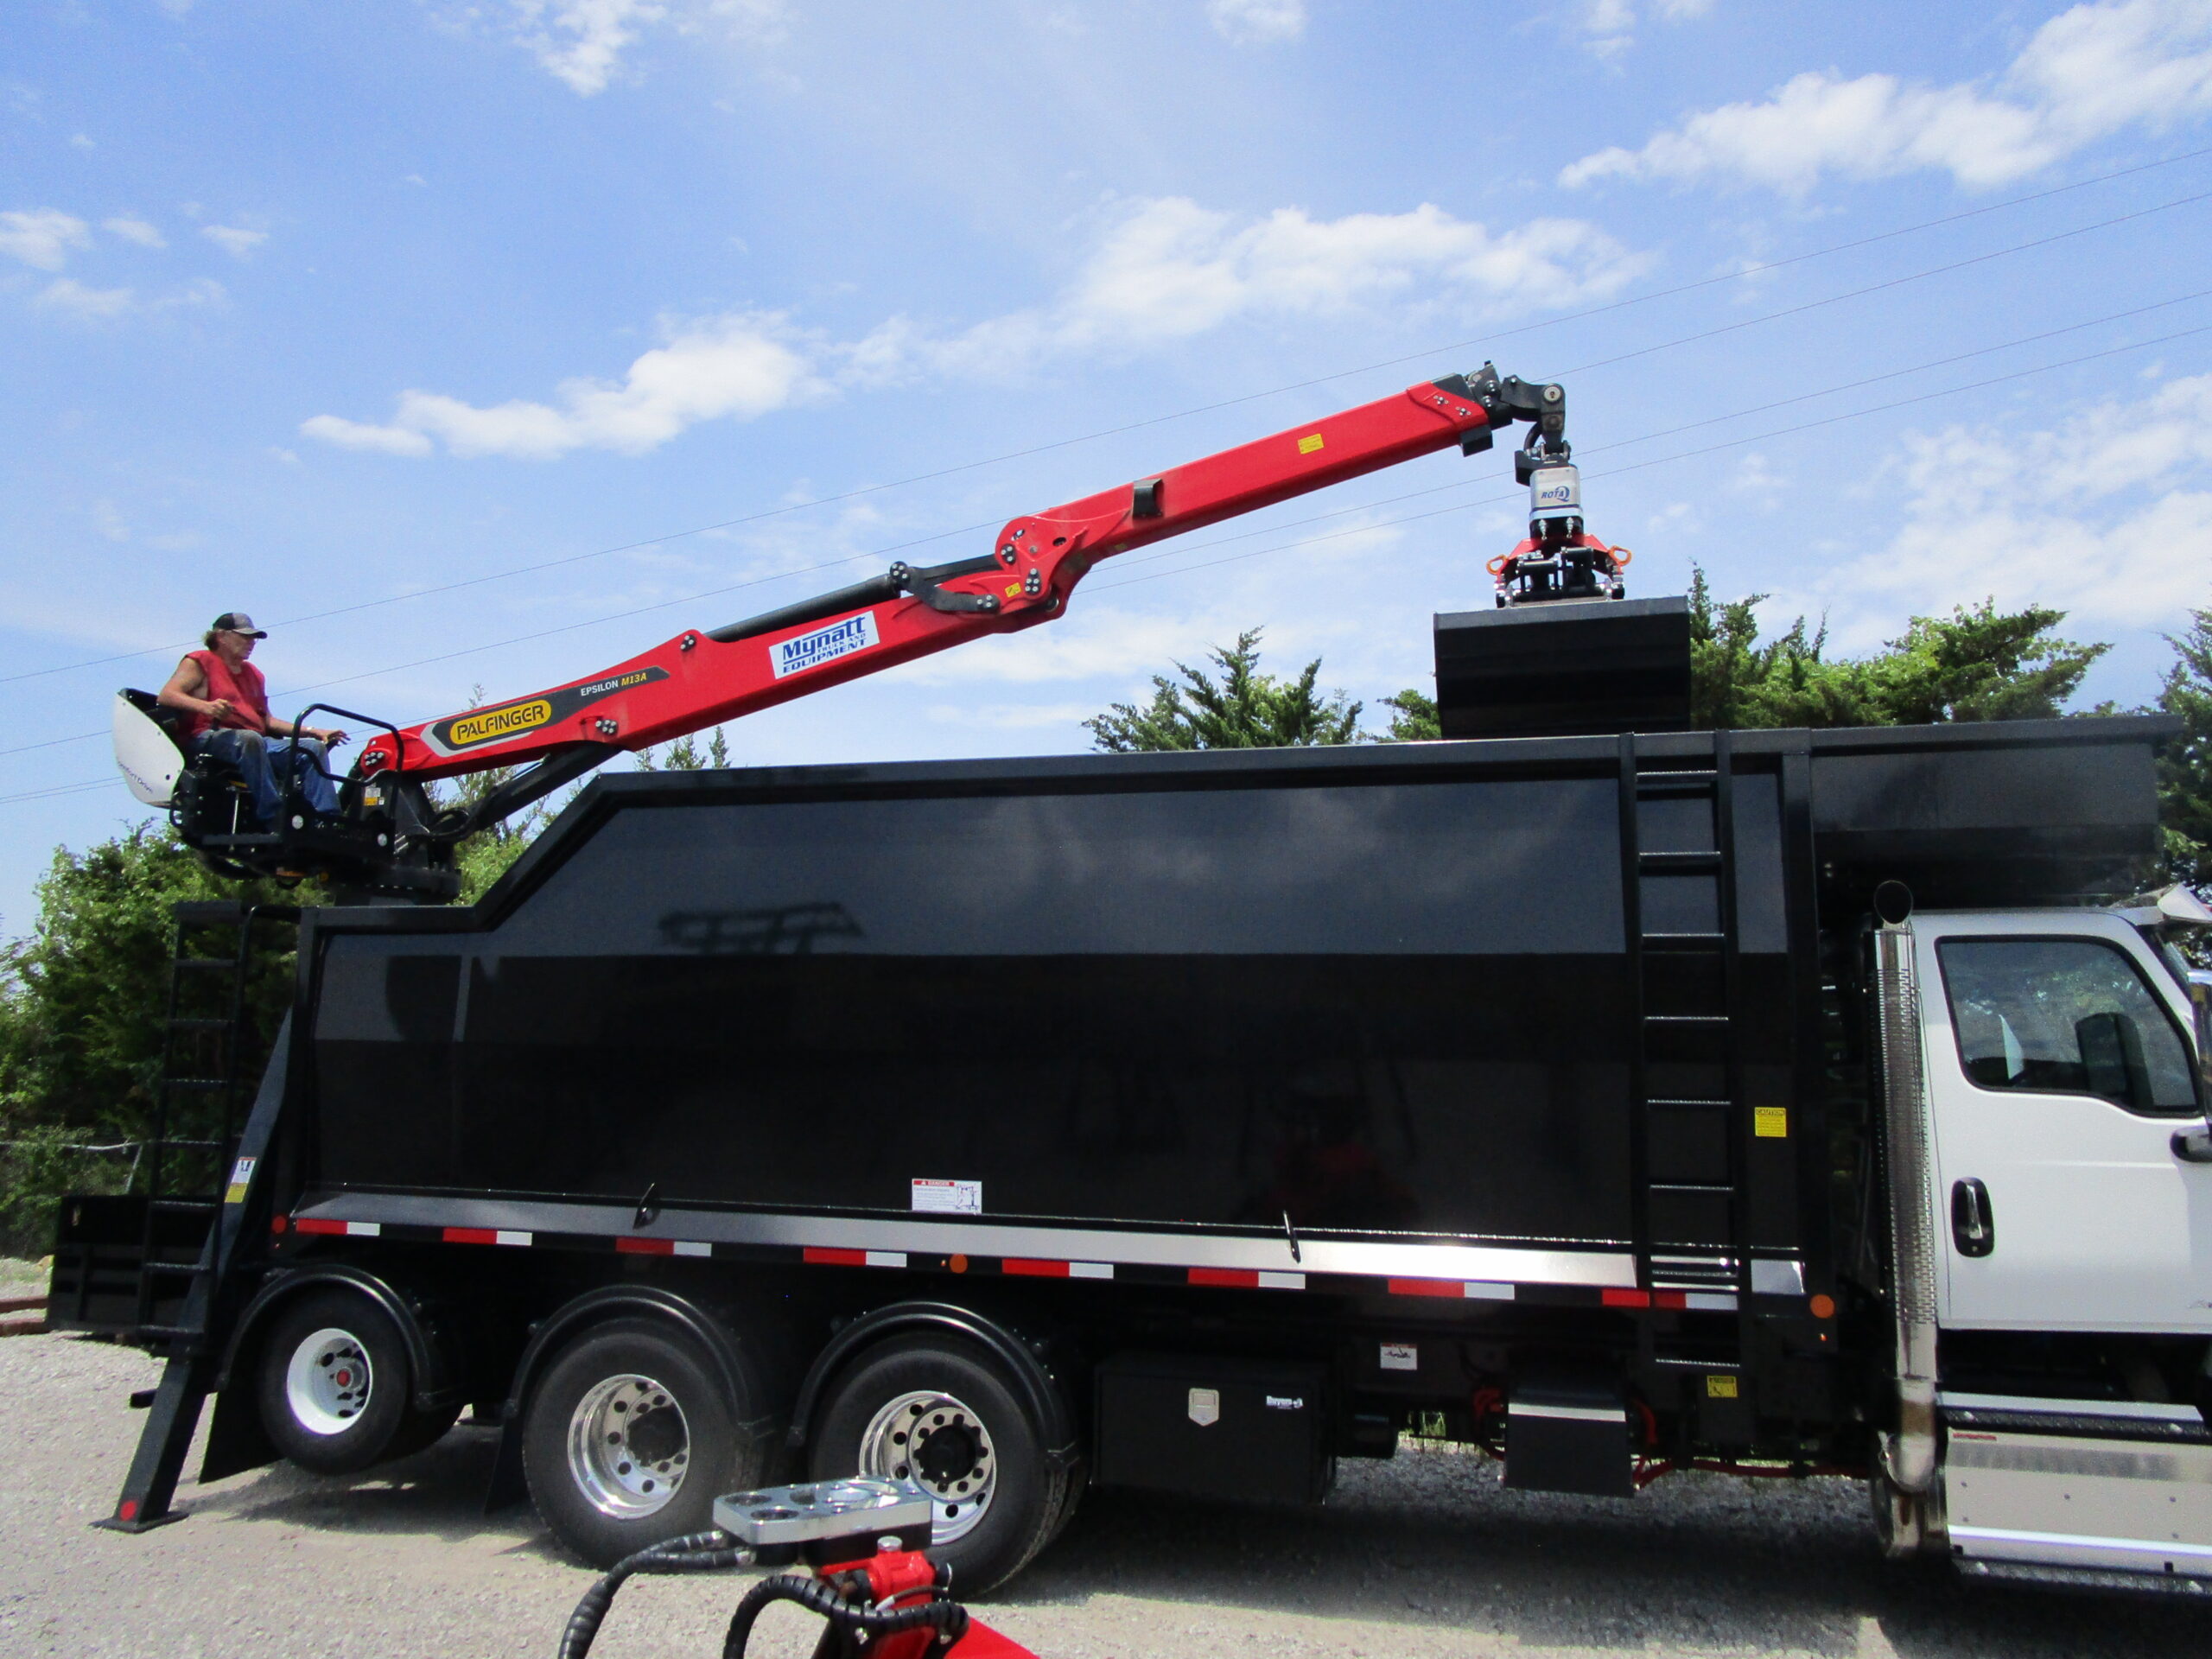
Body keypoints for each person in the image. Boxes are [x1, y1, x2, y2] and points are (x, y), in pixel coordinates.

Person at [158, 613, 348, 828]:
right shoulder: (200, 661)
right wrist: (206, 707)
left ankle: (328, 819)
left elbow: (267, 721)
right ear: (222, 637)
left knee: (312, 749)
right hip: (209, 737)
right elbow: (167, 695)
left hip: (255, 742)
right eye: (245, 637)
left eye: (253, 638)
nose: (251, 643)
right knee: (249, 739)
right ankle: (274, 815)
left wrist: (313, 731)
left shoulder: (254, 674)